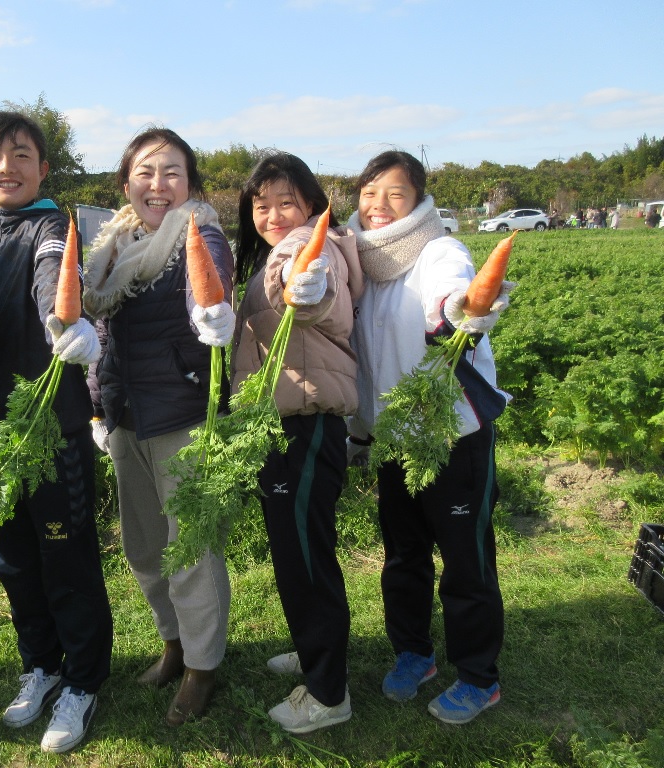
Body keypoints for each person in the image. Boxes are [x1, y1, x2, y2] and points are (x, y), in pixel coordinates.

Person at [0, 111, 113, 754]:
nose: (7, 168)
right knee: (13, 559)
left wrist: (61, 321)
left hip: (52, 433)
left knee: (66, 558)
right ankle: (40, 664)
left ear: (43, 168)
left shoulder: (52, 227)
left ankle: (83, 678)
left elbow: (56, 279)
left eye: (22, 156)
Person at [346, 150, 510, 725]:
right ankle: (414, 654)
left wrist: (461, 310)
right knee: (404, 556)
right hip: (393, 438)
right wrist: (360, 432)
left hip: (452, 432)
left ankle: (478, 677)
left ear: (418, 201)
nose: (378, 206)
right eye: (369, 194)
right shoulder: (361, 266)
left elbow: (451, 296)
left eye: (394, 194)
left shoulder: (440, 251)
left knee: (466, 561)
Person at [83, 127, 235, 726]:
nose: (158, 184)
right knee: (144, 544)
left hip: (185, 414)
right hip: (126, 418)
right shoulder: (113, 249)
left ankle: (203, 666)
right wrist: (100, 406)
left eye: (172, 171)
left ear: (190, 184)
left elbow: (211, 286)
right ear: (127, 185)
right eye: (145, 171)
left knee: (192, 547)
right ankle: (172, 643)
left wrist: (213, 313)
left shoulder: (202, 235)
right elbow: (99, 335)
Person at [231, 152, 363, 732]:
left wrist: (304, 293)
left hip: (306, 420)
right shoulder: (275, 250)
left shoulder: (312, 248)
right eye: (262, 205)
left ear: (310, 204)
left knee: (304, 558)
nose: (274, 214)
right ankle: (317, 653)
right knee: (297, 549)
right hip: (287, 421)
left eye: (287, 201)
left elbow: (314, 297)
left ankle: (328, 692)